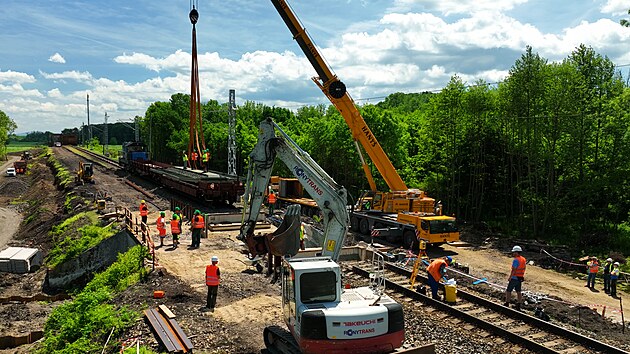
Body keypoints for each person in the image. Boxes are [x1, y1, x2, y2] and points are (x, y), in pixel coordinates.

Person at [505, 245, 526, 310]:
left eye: (514, 252)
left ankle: (507, 303)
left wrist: (510, 277)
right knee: (518, 291)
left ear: (517, 252)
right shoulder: (523, 259)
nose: (513, 253)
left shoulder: (516, 260)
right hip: (520, 277)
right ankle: (518, 305)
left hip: (514, 277)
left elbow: (514, 270)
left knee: (508, 290)